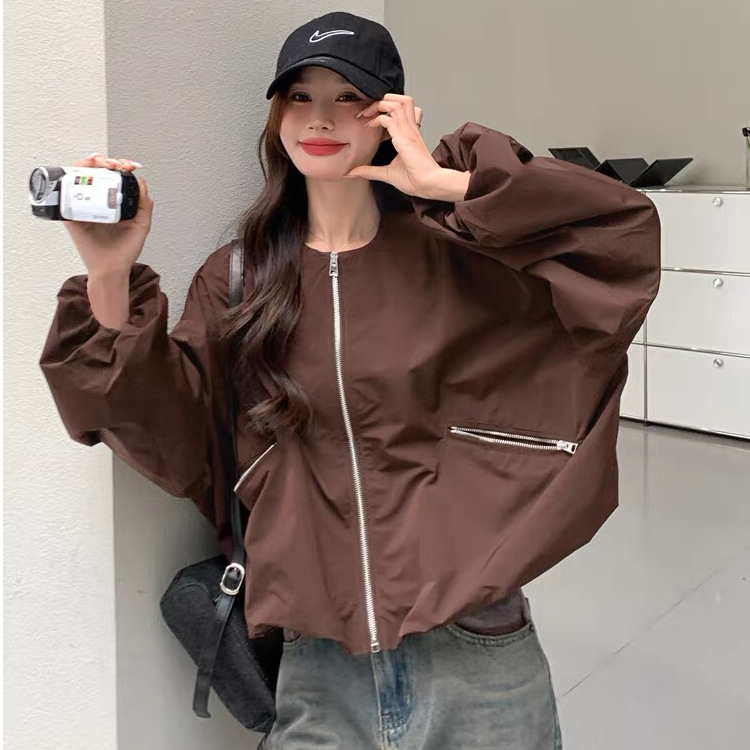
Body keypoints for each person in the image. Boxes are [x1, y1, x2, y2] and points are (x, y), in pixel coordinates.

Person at [39, 10, 661, 750]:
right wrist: (110, 274)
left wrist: (444, 183)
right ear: (276, 117)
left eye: (349, 98)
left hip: (476, 648)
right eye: (299, 97)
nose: (320, 118)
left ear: (391, 115)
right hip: (317, 664)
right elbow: (172, 435)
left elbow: (621, 240)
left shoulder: (462, 253)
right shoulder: (239, 280)